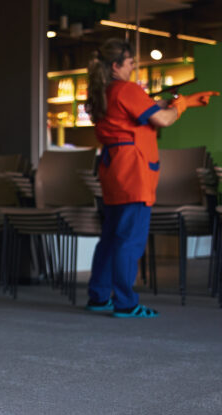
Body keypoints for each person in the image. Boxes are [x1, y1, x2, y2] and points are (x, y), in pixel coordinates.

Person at [84, 38, 218, 318]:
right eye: (131, 62)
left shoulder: (102, 92)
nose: (133, 67)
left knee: (111, 236)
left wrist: (176, 103)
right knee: (129, 240)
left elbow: (140, 113)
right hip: (133, 172)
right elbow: (163, 120)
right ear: (117, 65)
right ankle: (126, 303)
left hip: (113, 170)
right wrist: (182, 106)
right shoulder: (126, 89)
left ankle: (98, 296)